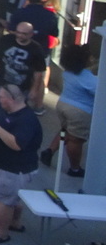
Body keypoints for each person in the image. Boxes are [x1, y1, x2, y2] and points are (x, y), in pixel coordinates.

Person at [0, 81, 42, 243]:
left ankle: (0, 232)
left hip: (12, 168)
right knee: (13, 196)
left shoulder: (26, 119)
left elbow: (16, 144)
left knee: (4, 200)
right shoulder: (6, 110)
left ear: (11, 99)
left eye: (1, 97)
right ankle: (14, 222)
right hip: (0, 163)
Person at [43, 42, 95, 177]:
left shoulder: (67, 72)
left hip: (62, 106)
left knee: (65, 130)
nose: (91, 59)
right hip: (79, 112)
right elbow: (99, 92)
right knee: (76, 140)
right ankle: (75, 169)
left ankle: (49, 151)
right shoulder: (88, 78)